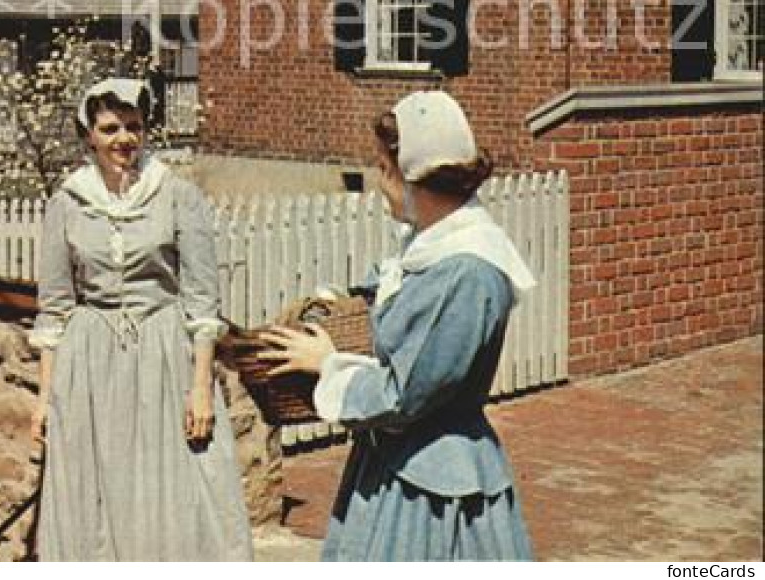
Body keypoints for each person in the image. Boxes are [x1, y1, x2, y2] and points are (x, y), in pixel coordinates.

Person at [260, 90, 536, 561]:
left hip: (432, 486)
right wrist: (337, 304)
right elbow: (389, 294)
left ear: (413, 178)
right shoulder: (429, 245)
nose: (379, 184)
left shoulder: (467, 271)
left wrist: (327, 365)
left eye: (383, 171)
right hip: (392, 463)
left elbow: (403, 396)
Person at [29, 77, 253, 561]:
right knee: (94, 490)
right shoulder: (67, 202)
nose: (123, 139)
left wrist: (199, 386)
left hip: (163, 356)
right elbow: (55, 306)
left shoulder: (176, 195)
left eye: (133, 126)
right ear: (88, 133)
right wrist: (46, 397)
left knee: (176, 486)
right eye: (110, 128)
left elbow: (200, 300)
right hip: (91, 363)